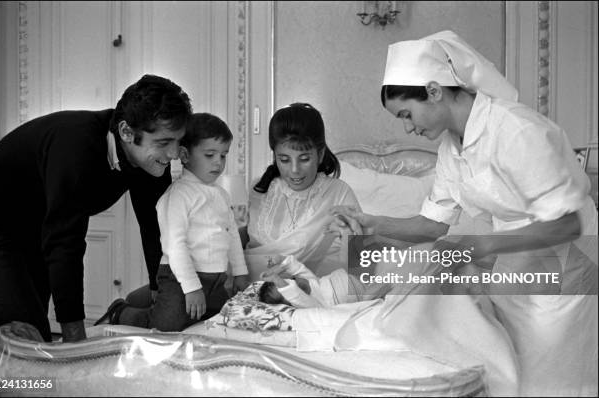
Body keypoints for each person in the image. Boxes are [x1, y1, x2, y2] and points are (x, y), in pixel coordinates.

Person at [330, 30, 598, 396]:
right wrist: (372, 222)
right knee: (510, 374)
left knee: (550, 382)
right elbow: (431, 224)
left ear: (434, 90)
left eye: (407, 114)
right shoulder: (449, 149)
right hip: (513, 264)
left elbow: (568, 223)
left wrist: (472, 247)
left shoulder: (516, 131)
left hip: (565, 267)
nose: (408, 126)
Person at [0, 74, 192, 343]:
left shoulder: (150, 161)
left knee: (39, 336)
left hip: (39, 223)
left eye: (178, 141)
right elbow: (66, 244)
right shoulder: (77, 148)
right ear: (126, 132)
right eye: (164, 143)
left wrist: (160, 295)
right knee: (29, 338)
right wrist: (76, 340)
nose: (174, 154)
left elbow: (154, 226)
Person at [97, 113, 250, 331]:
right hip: (180, 277)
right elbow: (175, 245)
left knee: (214, 323)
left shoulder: (222, 195)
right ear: (185, 155)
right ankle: (121, 312)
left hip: (216, 278)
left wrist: (240, 272)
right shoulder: (179, 195)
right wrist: (191, 287)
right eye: (210, 155)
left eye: (223, 155)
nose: (219, 162)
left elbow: (231, 234)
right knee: (165, 325)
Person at [242, 103, 361, 280]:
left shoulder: (338, 193)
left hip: (309, 294)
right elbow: (238, 244)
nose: (295, 170)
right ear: (275, 156)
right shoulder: (259, 188)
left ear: (320, 155)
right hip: (249, 290)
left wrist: (347, 238)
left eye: (304, 159)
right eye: (284, 160)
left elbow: (360, 263)